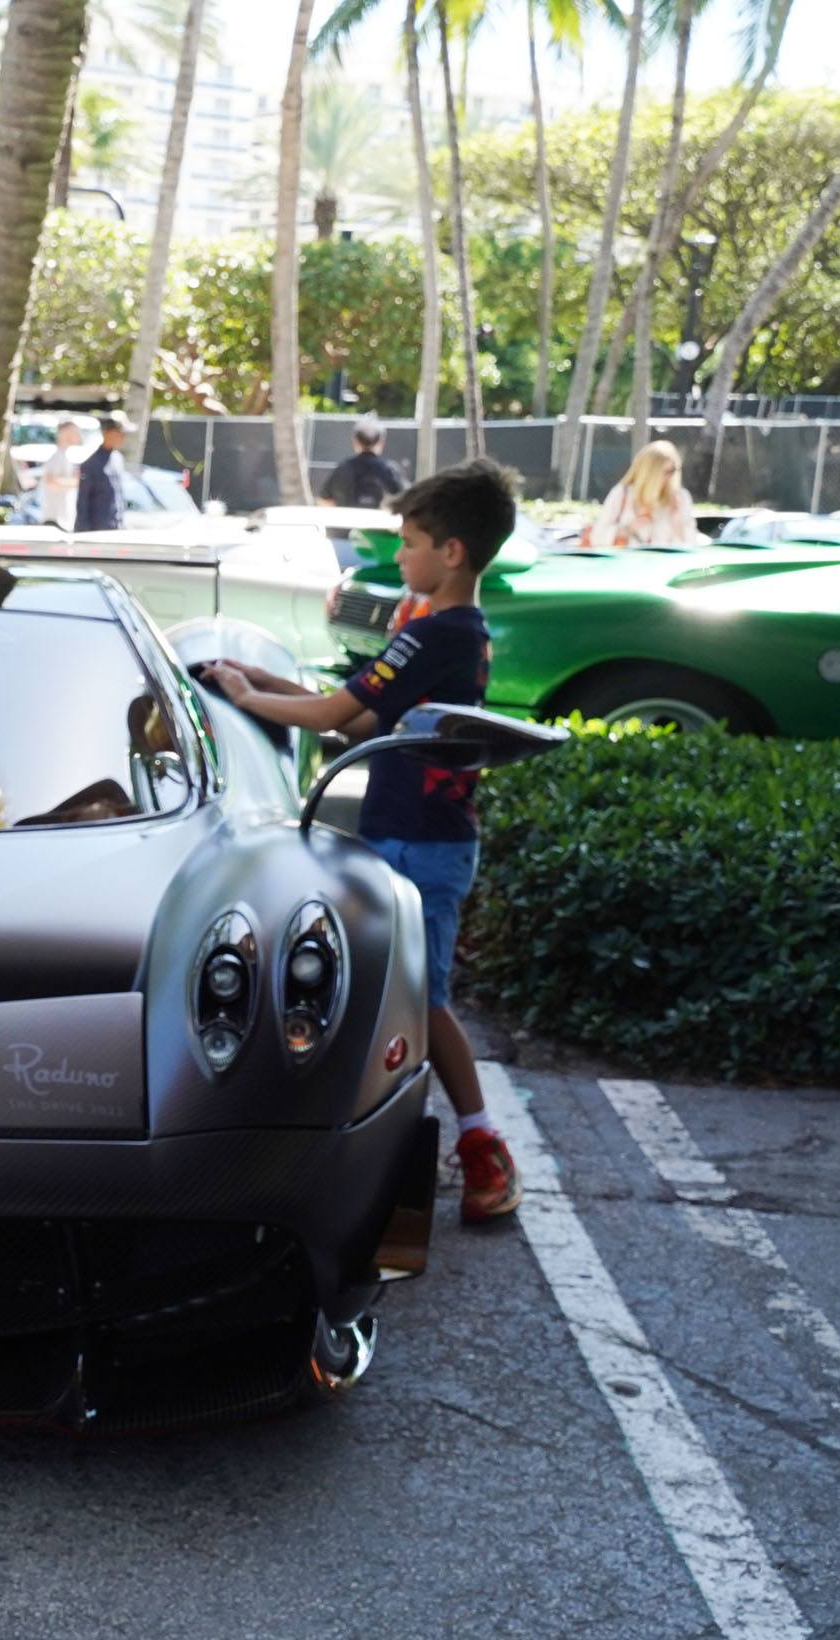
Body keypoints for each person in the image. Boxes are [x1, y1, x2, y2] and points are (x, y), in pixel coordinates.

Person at [203, 459, 524, 1224]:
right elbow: (360, 720)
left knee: (425, 1000)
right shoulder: (455, 635)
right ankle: (382, 1143)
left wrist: (247, 694)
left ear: (451, 553)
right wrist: (263, 679)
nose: (401, 558)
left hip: (421, 841)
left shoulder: (432, 635)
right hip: (410, 833)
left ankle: (480, 1142)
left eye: (410, 544)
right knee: (393, 998)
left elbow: (329, 718)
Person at [587, 437, 702, 549]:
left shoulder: (680, 498)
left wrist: (677, 523)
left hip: (664, 566)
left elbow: (692, 545)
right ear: (649, 472)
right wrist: (629, 528)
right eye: (665, 471)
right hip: (627, 565)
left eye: (673, 470)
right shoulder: (623, 494)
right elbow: (596, 538)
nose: (670, 477)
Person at [320, 416, 406, 510]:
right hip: (379, 523)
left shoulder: (343, 468)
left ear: (355, 441)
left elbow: (324, 499)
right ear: (381, 442)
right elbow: (406, 499)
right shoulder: (389, 470)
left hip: (348, 522)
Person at [73, 412, 129, 532]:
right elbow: (82, 501)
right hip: (97, 531)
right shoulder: (92, 463)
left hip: (116, 527)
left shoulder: (117, 458)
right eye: (120, 433)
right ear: (107, 433)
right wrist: (82, 532)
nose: (123, 437)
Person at [34, 418, 83, 531]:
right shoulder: (56, 458)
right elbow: (51, 481)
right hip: (54, 520)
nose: (78, 436)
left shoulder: (65, 457)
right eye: (75, 432)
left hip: (64, 520)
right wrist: (77, 482)